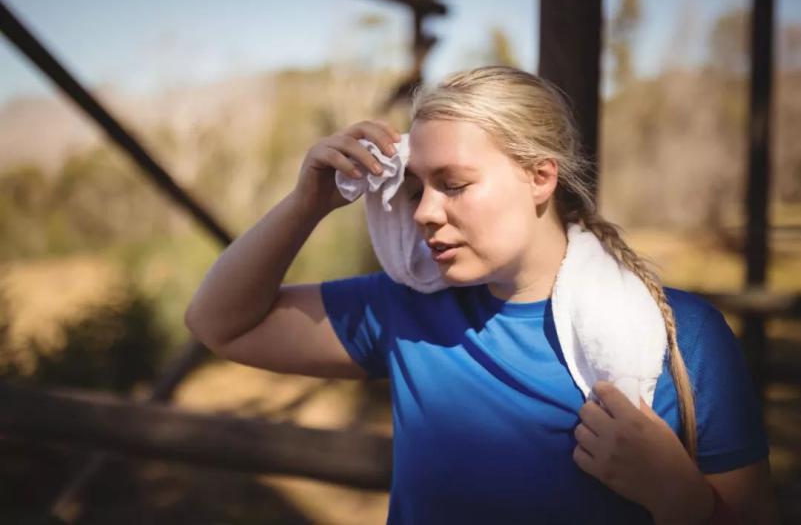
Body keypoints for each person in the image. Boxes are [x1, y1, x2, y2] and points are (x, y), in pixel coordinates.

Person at [184, 65, 779, 524]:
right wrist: (305, 204)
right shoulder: (408, 306)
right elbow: (219, 323)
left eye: (454, 184)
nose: (423, 213)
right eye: (416, 186)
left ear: (540, 176)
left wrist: (681, 499)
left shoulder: (680, 335)